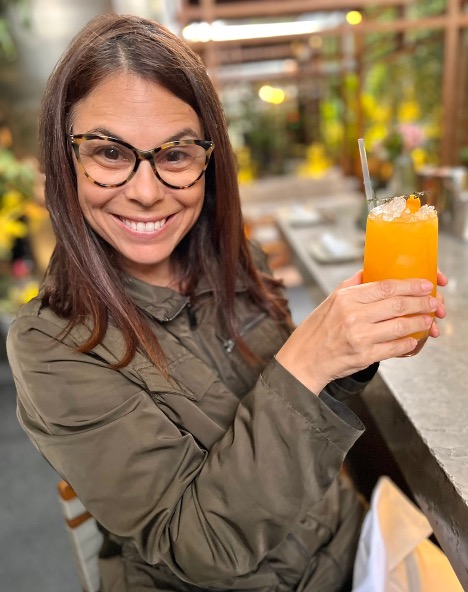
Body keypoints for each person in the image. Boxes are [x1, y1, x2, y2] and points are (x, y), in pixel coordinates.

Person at [6, 13, 447, 592]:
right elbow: (200, 548)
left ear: (209, 162)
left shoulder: (238, 260)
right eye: (109, 153)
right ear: (64, 160)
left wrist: (349, 345)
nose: (145, 190)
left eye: (176, 154)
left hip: (350, 549)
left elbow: (304, 405)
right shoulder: (52, 346)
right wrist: (309, 360)